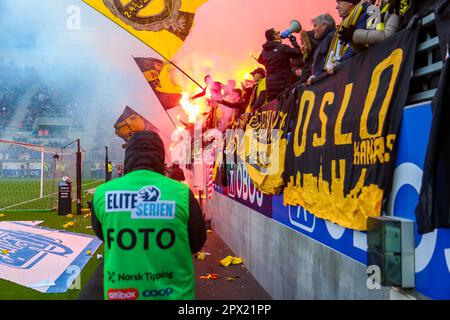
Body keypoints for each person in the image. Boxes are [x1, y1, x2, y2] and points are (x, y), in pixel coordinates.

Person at [91, 131, 206, 300]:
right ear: (160, 157)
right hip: (173, 294)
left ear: (128, 156)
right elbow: (197, 242)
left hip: (121, 294)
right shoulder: (182, 193)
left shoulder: (102, 193)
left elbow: (104, 234)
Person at [323, 0, 369, 74]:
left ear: (350, 2)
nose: (336, 7)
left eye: (339, 2)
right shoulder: (345, 22)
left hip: (360, 69)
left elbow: (356, 43)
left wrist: (340, 62)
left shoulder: (365, 14)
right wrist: (318, 74)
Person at [258, 28, 302, 101]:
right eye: (277, 32)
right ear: (275, 36)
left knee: (274, 109)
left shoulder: (264, 51)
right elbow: (298, 53)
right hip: (283, 85)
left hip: (270, 87)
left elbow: (260, 60)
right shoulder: (282, 47)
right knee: (285, 108)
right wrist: (293, 41)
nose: (280, 33)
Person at [339, 0, 403, 49]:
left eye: (340, 2)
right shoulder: (375, 11)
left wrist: (354, 35)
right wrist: (352, 41)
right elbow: (366, 51)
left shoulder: (395, 4)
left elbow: (388, 36)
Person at [307, 14, 337, 84]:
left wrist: (317, 75)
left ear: (324, 25)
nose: (313, 29)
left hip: (328, 81)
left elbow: (328, 60)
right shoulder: (325, 39)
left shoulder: (331, 36)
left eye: (315, 26)